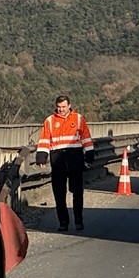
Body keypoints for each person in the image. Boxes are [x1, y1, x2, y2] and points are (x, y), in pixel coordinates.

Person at [36, 95, 94, 232]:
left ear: (69, 106)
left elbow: (86, 137)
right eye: (59, 107)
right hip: (58, 159)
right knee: (59, 193)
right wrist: (42, 157)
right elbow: (44, 139)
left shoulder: (78, 119)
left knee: (77, 191)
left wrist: (89, 154)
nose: (61, 109)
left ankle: (78, 220)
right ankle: (63, 222)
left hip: (75, 158)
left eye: (63, 107)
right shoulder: (50, 121)